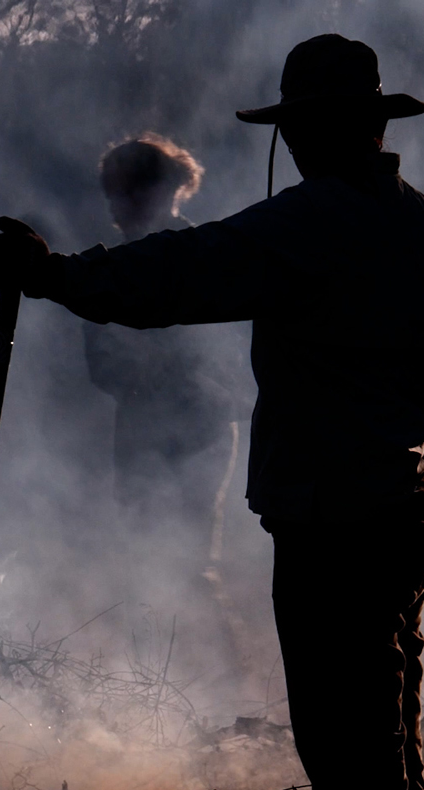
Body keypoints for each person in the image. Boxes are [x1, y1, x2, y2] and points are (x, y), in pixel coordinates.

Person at [0, 34, 424, 790]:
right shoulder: (420, 220)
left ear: (304, 133)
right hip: (404, 506)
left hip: (336, 525)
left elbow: (179, 275)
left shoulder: (307, 221)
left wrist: (56, 275)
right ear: (372, 126)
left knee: (351, 761)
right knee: (389, 753)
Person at [82, 135, 248, 548]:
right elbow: (102, 365)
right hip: (141, 435)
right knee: (141, 550)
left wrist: (180, 383)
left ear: (162, 191)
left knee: (188, 554)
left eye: (130, 191)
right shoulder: (111, 268)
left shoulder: (205, 255)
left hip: (202, 433)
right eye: (114, 194)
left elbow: (230, 355)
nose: (119, 206)